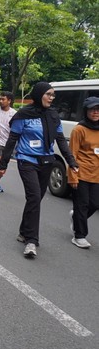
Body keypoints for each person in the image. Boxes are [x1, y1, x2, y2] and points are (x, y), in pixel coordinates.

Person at [0, 82, 78, 258]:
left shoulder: (53, 115)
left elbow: (60, 140)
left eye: (53, 95)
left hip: (47, 161)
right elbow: (12, 141)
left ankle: (23, 230)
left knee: (35, 199)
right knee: (34, 197)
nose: (51, 98)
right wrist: (2, 165)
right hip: (27, 160)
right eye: (48, 94)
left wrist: (71, 161)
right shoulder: (23, 115)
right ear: (39, 94)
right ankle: (31, 241)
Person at [67, 96, 99, 249]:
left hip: (97, 174)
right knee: (82, 204)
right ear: (86, 111)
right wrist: (72, 177)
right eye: (92, 109)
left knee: (94, 204)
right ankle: (79, 235)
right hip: (81, 173)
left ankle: (77, 217)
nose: (95, 112)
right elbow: (72, 154)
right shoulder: (79, 129)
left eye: (98, 109)